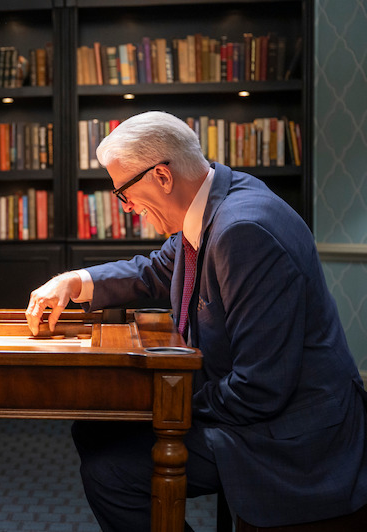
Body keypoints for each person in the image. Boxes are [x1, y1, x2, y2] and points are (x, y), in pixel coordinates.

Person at [25, 111, 367, 531]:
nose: (128, 208)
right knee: (94, 430)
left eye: (123, 193)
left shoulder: (244, 230)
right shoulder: (216, 199)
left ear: (162, 176)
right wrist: (73, 281)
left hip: (292, 435)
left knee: (110, 472)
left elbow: (260, 389)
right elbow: (156, 269)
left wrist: (157, 403)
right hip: (262, 404)